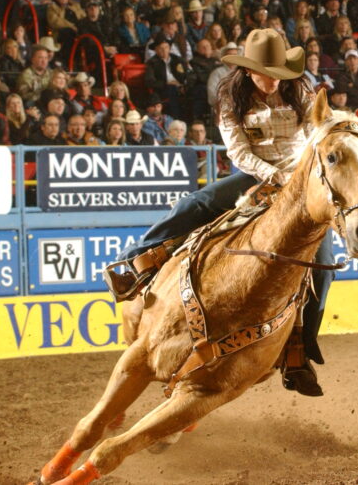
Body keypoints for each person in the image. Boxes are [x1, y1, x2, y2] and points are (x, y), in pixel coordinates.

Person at [107, 29, 343, 398]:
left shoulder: (301, 91)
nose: (273, 79)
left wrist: (299, 175)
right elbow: (238, 151)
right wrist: (273, 175)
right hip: (256, 172)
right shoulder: (230, 97)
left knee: (322, 267)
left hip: (300, 183)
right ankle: (135, 264)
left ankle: (301, 351)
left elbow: (317, 134)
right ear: (249, 71)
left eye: (278, 71)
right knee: (194, 205)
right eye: (266, 72)